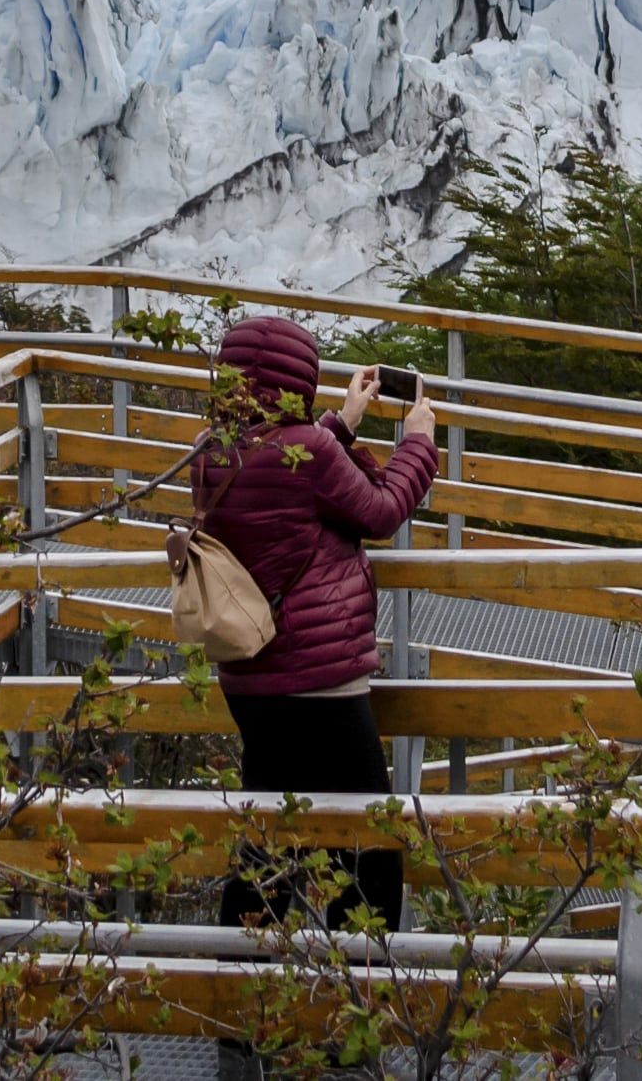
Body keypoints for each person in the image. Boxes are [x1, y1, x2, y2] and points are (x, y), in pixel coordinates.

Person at [184, 313, 439, 934]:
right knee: (369, 847)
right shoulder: (312, 454)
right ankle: (352, 993)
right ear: (299, 379)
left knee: (271, 843)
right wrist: (418, 442)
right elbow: (380, 511)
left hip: (250, 677)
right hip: (321, 680)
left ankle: (240, 1009)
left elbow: (282, 471)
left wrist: (341, 424)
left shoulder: (211, 452)